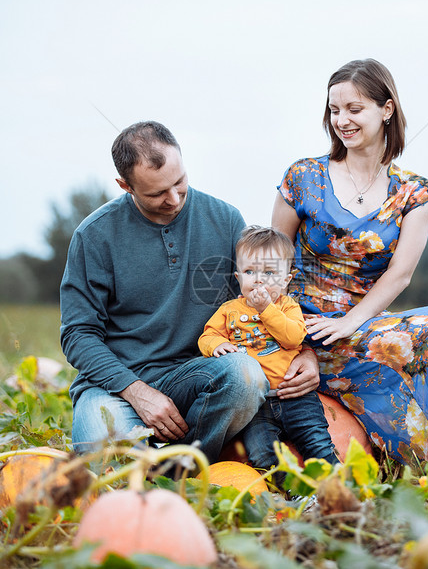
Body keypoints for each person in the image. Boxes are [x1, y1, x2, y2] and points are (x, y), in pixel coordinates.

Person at [271, 59, 428, 465]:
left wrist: (351, 321)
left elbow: (400, 275)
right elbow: (274, 260)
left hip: (363, 323)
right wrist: (292, 339)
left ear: (387, 109)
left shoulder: (414, 192)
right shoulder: (303, 177)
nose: (341, 120)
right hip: (305, 328)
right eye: (334, 110)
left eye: (354, 109)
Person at [60, 121, 320, 459]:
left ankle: (182, 465)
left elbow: (270, 293)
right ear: (125, 186)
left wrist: (305, 353)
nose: (174, 198)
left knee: (245, 375)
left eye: (180, 182)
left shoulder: (225, 219)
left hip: (199, 377)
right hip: (116, 387)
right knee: (101, 456)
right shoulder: (93, 236)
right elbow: (78, 335)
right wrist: (136, 391)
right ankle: (153, 463)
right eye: (156, 194)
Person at [198, 226, 340, 484]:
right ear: (238, 276)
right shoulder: (229, 309)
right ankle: (293, 495)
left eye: (269, 272)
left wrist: (266, 309)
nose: (259, 279)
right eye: (250, 272)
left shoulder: (288, 307)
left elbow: (293, 337)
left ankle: (342, 489)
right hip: (256, 404)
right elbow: (207, 336)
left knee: (316, 442)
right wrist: (216, 345)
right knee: (262, 454)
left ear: (286, 279)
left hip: (295, 395)